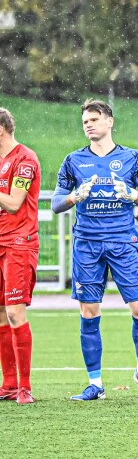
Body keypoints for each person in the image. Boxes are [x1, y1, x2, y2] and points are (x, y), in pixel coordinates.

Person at [52, 99, 138, 401]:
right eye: (85, 120)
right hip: (87, 244)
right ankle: (95, 384)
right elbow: (55, 204)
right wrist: (74, 196)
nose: (89, 124)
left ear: (110, 122)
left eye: (95, 119)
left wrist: (133, 194)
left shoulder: (132, 158)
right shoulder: (73, 160)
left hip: (123, 242)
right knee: (89, 312)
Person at [0, 108, 40, 405]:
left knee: (15, 312)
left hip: (19, 243)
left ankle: (25, 387)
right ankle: (9, 384)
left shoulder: (24, 160)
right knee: (1, 314)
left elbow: (14, 203)